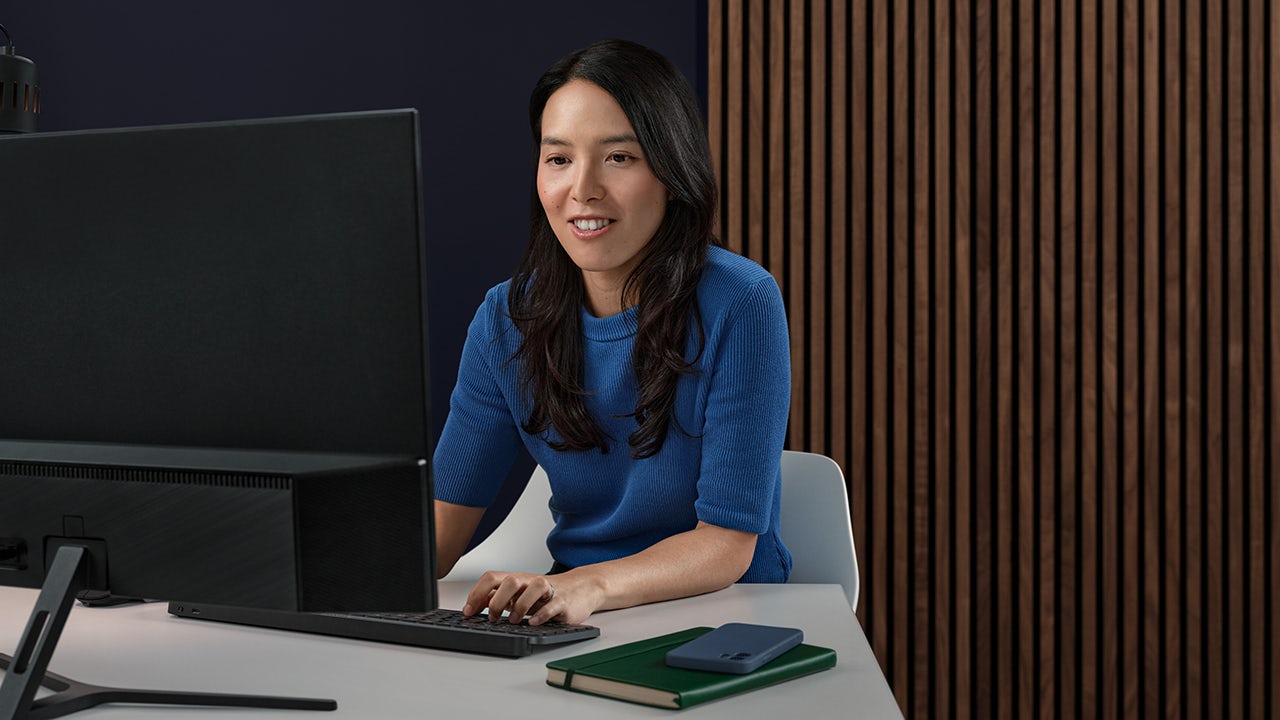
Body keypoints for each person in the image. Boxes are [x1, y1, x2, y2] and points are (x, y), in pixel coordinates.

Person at [432, 38, 791, 627]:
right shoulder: (506, 318)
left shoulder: (741, 302)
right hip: (576, 614)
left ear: (672, 173)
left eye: (619, 157)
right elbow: (442, 533)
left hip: (728, 615)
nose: (583, 189)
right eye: (558, 158)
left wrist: (585, 584)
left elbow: (727, 543)